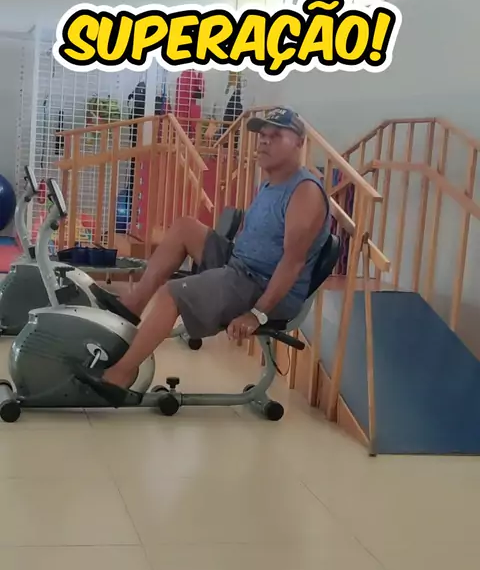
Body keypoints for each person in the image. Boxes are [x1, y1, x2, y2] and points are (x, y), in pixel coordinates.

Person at [79, 107, 331, 405]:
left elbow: (293, 263)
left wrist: (257, 313)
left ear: (299, 142)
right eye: (262, 135)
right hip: (241, 265)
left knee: (173, 293)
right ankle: (133, 305)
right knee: (185, 227)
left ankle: (120, 376)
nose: (264, 141)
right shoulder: (270, 183)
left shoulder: (305, 193)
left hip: (262, 286)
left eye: (275, 135)